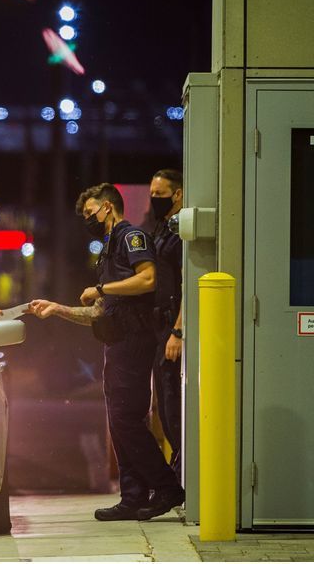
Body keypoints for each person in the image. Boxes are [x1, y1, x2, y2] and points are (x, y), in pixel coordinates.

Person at [29, 183, 184, 522]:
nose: (89, 219)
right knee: (119, 421)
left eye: (91, 212)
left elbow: (148, 280)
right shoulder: (109, 249)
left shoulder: (132, 238)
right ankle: (132, 497)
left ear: (109, 207)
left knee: (127, 420)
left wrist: (101, 287)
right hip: (116, 343)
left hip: (134, 341)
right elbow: (101, 312)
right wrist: (57, 309)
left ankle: (166, 486)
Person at [149, 169, 184, 478]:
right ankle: (178, 469)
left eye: (160, 194)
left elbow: (189, 284)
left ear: (178, 194)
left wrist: (178, 331)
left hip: (172, 328)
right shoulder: (162, 228)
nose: (154, 199)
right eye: (152, 194)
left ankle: (183, 471)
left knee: (173, 403)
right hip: (159, 328)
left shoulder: (181, 234)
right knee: (163, 402)